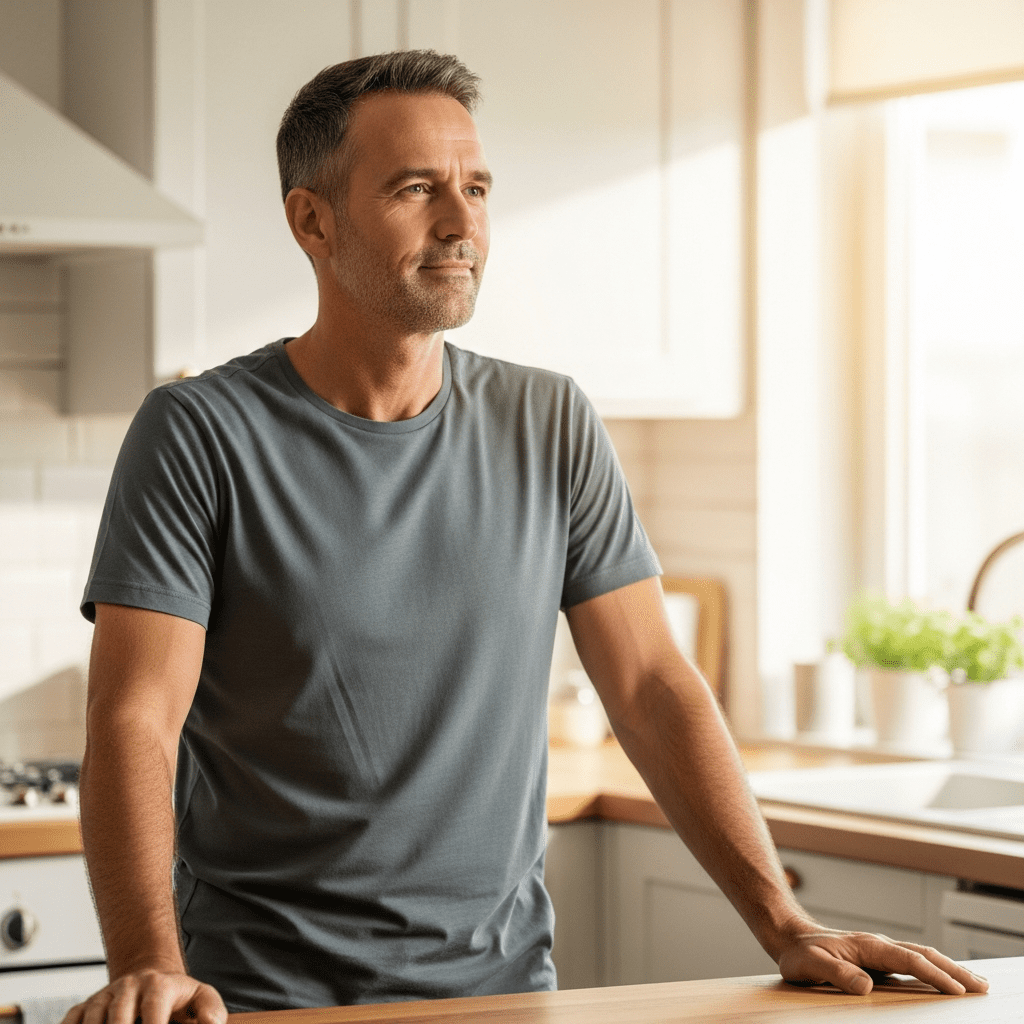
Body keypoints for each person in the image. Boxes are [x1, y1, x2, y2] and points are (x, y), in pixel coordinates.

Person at [63, 50, 987, 1024]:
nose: (462, 224)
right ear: (312, 220)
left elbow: (651, 686)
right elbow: (134, 720)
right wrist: (148, 964)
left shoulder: (549, 423)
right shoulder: (201, 433)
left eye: (476, 188)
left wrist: (782, 920)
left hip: (503, 997)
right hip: (267, 1001)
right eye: (417, 189)